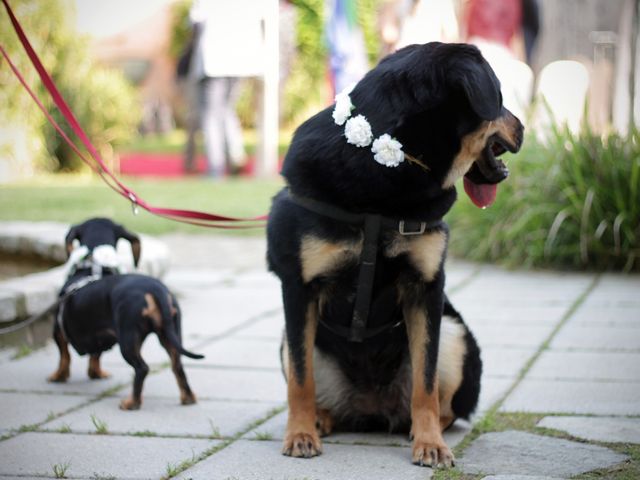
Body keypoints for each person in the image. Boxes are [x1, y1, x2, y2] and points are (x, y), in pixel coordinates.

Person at [185, 0, 265, 177]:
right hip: (240, 60)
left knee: (212, 114)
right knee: (227, 109)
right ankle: (235, 155)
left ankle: (216, 166)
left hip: (214, 61)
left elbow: (195, 20)